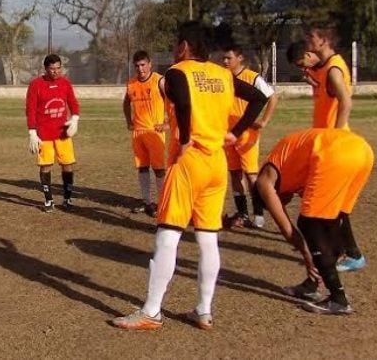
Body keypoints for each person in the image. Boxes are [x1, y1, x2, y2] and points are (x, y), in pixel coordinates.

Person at [112, 21, 266, 331]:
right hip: (216, 164)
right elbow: (259, 98)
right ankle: (203, 310)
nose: (173, 49)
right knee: (208, 239)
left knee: (168, 236)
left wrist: (183, 140)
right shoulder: (223, 74)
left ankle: (152, 311)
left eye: (175, 44)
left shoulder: (177, 72)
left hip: (188, 162)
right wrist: (235, 132)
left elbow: (182, 99)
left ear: (184, 46)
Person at [254, 128, 373, 314]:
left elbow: (286, 228)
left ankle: (338, 299)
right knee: (331, 218)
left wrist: (307, 254)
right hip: (362, 150)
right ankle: (311, 285)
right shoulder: (290, 167)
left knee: (309, 224)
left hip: (335, 154)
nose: (285, 202)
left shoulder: (264, 181)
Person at [287, 29, 364, 273]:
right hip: (324, 145)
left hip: (335, 147)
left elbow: (346, 101)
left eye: (312, 38)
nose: (308, 42)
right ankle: (343, 251)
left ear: (324, 41)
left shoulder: (333, 69)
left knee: (333, 204)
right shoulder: (322, 68)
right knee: (330, 203)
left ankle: (352, 254)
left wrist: (338, 135)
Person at [221, 44, 279, 229]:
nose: (225, 61)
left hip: (247, 134)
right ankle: (242, 213)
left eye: (229, 58)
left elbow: (272, 97)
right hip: (229, 133)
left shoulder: (252, 77)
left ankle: (259, 214)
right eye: (224, 58)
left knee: (251, 175)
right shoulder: (224, 78)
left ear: (240, 58)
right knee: (235, 174)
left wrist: (263, 121)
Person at [25, 54, 80, 212]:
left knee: (67, 164)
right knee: (45, 165)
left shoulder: (65, 83)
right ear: (45, 69)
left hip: (63, 133)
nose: (55, 72)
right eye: (52, 69)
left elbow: (73, 103)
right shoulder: (36, 85)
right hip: (44, 134)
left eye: (58, 68)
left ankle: (68, 198)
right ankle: (48, 200)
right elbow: (30, 110)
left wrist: (75, 119)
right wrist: (32, 133)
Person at [123, 50, 166, 217]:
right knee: (142, 168)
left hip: (154, 132)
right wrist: (129, 121)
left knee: (159, 169)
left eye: (143, 65)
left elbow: (174, 102)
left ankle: (162, 203)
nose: (140, 69)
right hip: (138, 132)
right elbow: (126, 103)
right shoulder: (131, 83)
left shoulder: (159, 81)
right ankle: (147, 202)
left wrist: (167, 123)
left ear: (150, 64)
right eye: (137, 66)